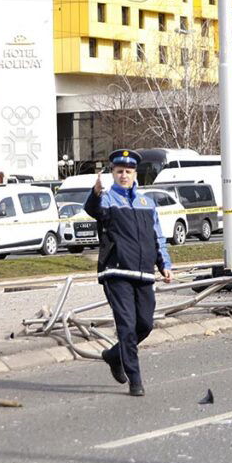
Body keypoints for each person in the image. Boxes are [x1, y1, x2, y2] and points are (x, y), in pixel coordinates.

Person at [84, 150, 172, 397]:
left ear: (135, 174)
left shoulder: (147, 203)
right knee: (127, 326)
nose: (124, 175)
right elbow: (92, 209)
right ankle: (135, 379)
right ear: (113, 173)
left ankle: (113, 355)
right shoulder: (106, 200)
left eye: (128, 172)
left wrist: (164, 264)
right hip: (116, 272)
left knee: (145, 324)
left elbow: (157, 237)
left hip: (144, 273)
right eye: (119, 171)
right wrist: (95, 193)